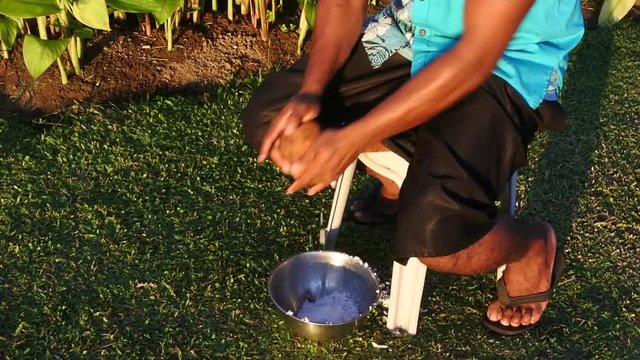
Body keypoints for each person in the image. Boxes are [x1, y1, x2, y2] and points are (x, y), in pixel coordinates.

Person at [241, 0, 584, 335]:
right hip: (411, 29)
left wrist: (353, 138)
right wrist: (311, 93)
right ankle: (397, 179)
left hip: (504, 58)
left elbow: (473, 58)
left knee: (440, 242)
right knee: (273, 121)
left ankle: (530, 245)